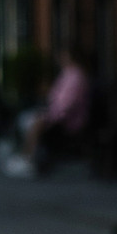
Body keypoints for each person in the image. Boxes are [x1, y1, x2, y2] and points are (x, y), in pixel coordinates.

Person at [25, 47, 92, 175]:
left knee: (37, 123)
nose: (61, 59)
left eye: (63, 56)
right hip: (59, 114)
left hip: (69, 119)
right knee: (33, 119)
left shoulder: (76, 76)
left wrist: (52, 116)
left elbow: (68, 104)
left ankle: (29, 159)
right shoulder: (67, 73)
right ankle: (28, 157)